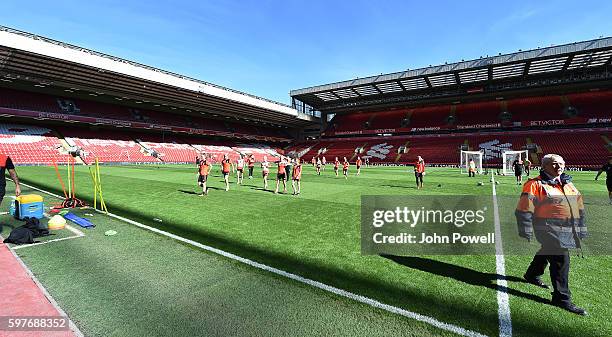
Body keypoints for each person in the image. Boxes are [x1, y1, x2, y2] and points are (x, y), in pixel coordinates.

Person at [516, 154, 587, 315]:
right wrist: (525, 229)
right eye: (555, 164)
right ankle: (562, 298)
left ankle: (532, 274)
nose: (560, 166)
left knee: (547, 250)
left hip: (567, 227)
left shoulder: (568, 183)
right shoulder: (534, 184)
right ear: (545, 166)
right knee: (561, 257)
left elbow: (579, 206)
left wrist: (581, 227)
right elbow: (524, 207)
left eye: (562, 163)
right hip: (546, 227)